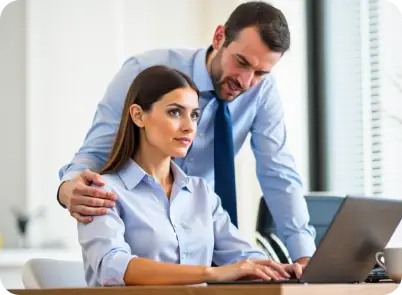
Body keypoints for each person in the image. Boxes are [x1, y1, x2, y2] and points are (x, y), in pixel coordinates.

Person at [59, 1, 316, 266]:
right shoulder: (144, 72)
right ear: (219, 38)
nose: (246, 82)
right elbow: (97, 151)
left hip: (200, 233)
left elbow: (278, 174)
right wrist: (68, 188)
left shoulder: (203, 196)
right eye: (241, 62)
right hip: (140, 227)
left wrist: (305, 257)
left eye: (261, 73)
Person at [78, 65, 303, 286]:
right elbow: (112, 266)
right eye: (175, 112)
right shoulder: (101, 191)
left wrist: (280, 270)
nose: (189, 127)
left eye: (194, 115)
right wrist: (211, 273)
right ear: (138, 116)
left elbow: (242, 256)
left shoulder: (200, 192)